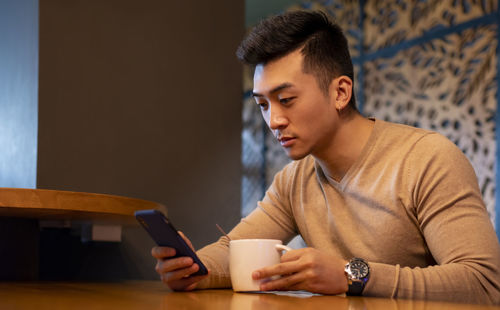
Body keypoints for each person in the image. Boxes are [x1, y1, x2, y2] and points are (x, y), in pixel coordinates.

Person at [151, 10, 500, 304]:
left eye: (286, 99)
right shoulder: (293, 180)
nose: (273, 120)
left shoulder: (426, 159)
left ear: (340, 92)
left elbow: (484, 283)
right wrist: (193, 268)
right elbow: (234, 249)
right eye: (262, 104)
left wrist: (352, 274)